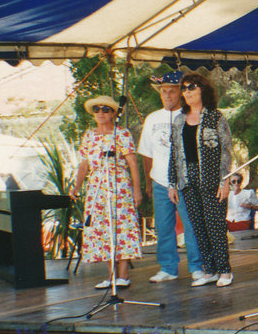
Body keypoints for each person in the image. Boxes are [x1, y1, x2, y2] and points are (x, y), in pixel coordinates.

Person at [137, 71, 205, 283]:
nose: (167, 95)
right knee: (163, 226)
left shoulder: (190, 115)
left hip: (186, 180)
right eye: (163, 92)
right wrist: (148, 182)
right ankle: (168, 267)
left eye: (172, 91)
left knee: (191, 224)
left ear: (181, 93)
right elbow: (146, 153)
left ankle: (196, 267)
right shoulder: (152, 118)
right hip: (159, 180)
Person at [167, 72, 233, 288]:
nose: (186, 91)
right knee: (198, 226)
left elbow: (226, 151)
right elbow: (174, 153)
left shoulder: (215, 117)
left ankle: (225, 270)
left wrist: (225, 182)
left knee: (215, 224)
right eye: (184, 88)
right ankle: (210, 270)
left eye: (191, 87)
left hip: (212, 177)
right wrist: (172, 183)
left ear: (202, 89)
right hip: (187, 178)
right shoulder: (179, 120)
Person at [71, 94, 143, 289]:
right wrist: (76, 186)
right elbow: (84, 164)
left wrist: (137, 190)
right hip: (97, 188)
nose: (101, 113)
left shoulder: (122, 133)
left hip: (119, 185)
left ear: (113, 113)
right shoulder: (89, 135)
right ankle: (111, 276)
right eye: (97, 110)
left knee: (122, 228)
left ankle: (124, 275)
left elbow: (132, 163)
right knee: (102, 230)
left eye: (105, 109)